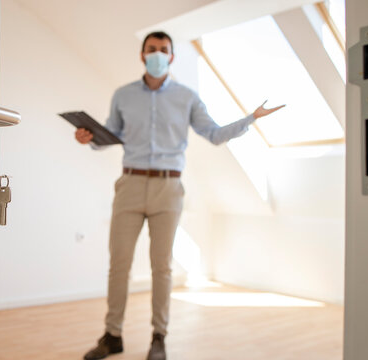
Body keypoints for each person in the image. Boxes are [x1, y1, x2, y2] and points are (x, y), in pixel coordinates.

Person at [76, 31, 284, 360]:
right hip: (129, 185)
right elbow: (109, 136)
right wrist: (88, 137)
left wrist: (251, 119)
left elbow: (214, 134)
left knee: (162, 267)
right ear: (142, 55)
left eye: (164, 50)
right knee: (119, 265)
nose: (158, 54)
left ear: (172, 57)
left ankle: (159, 338)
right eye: (151, 49)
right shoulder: (123, 95)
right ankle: (112, 335)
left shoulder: (188, 97)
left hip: (168, 189)